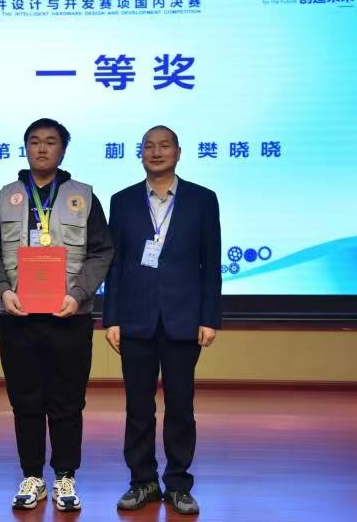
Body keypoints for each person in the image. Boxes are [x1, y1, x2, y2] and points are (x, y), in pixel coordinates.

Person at [0, 118, 113, 511]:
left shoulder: (83, 197)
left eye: (51, 142)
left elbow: (102, 252)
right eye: (34, 141)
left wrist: (78, 294)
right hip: (18, 319)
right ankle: (32, 475)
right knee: (25, 401)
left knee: (68, 402)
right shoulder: (5, 198)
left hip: (70, 317)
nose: (42, 148)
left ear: (63, 150)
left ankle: (65, 476)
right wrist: (3, 290)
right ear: (25, 148)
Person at [103, 125, 221, 515]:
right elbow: (115, 264)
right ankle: (143, 481)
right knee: (138, 408)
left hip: (183, 318)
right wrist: (111, 318)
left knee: (181, 407)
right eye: (149, 147)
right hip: (134, 319)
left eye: (164, 145)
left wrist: (209, 318)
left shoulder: (203, 199)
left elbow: (211, 263)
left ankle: (178, 484)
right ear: (140, 153)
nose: (156, 152)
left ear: (178, 152)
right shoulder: (122, 201)